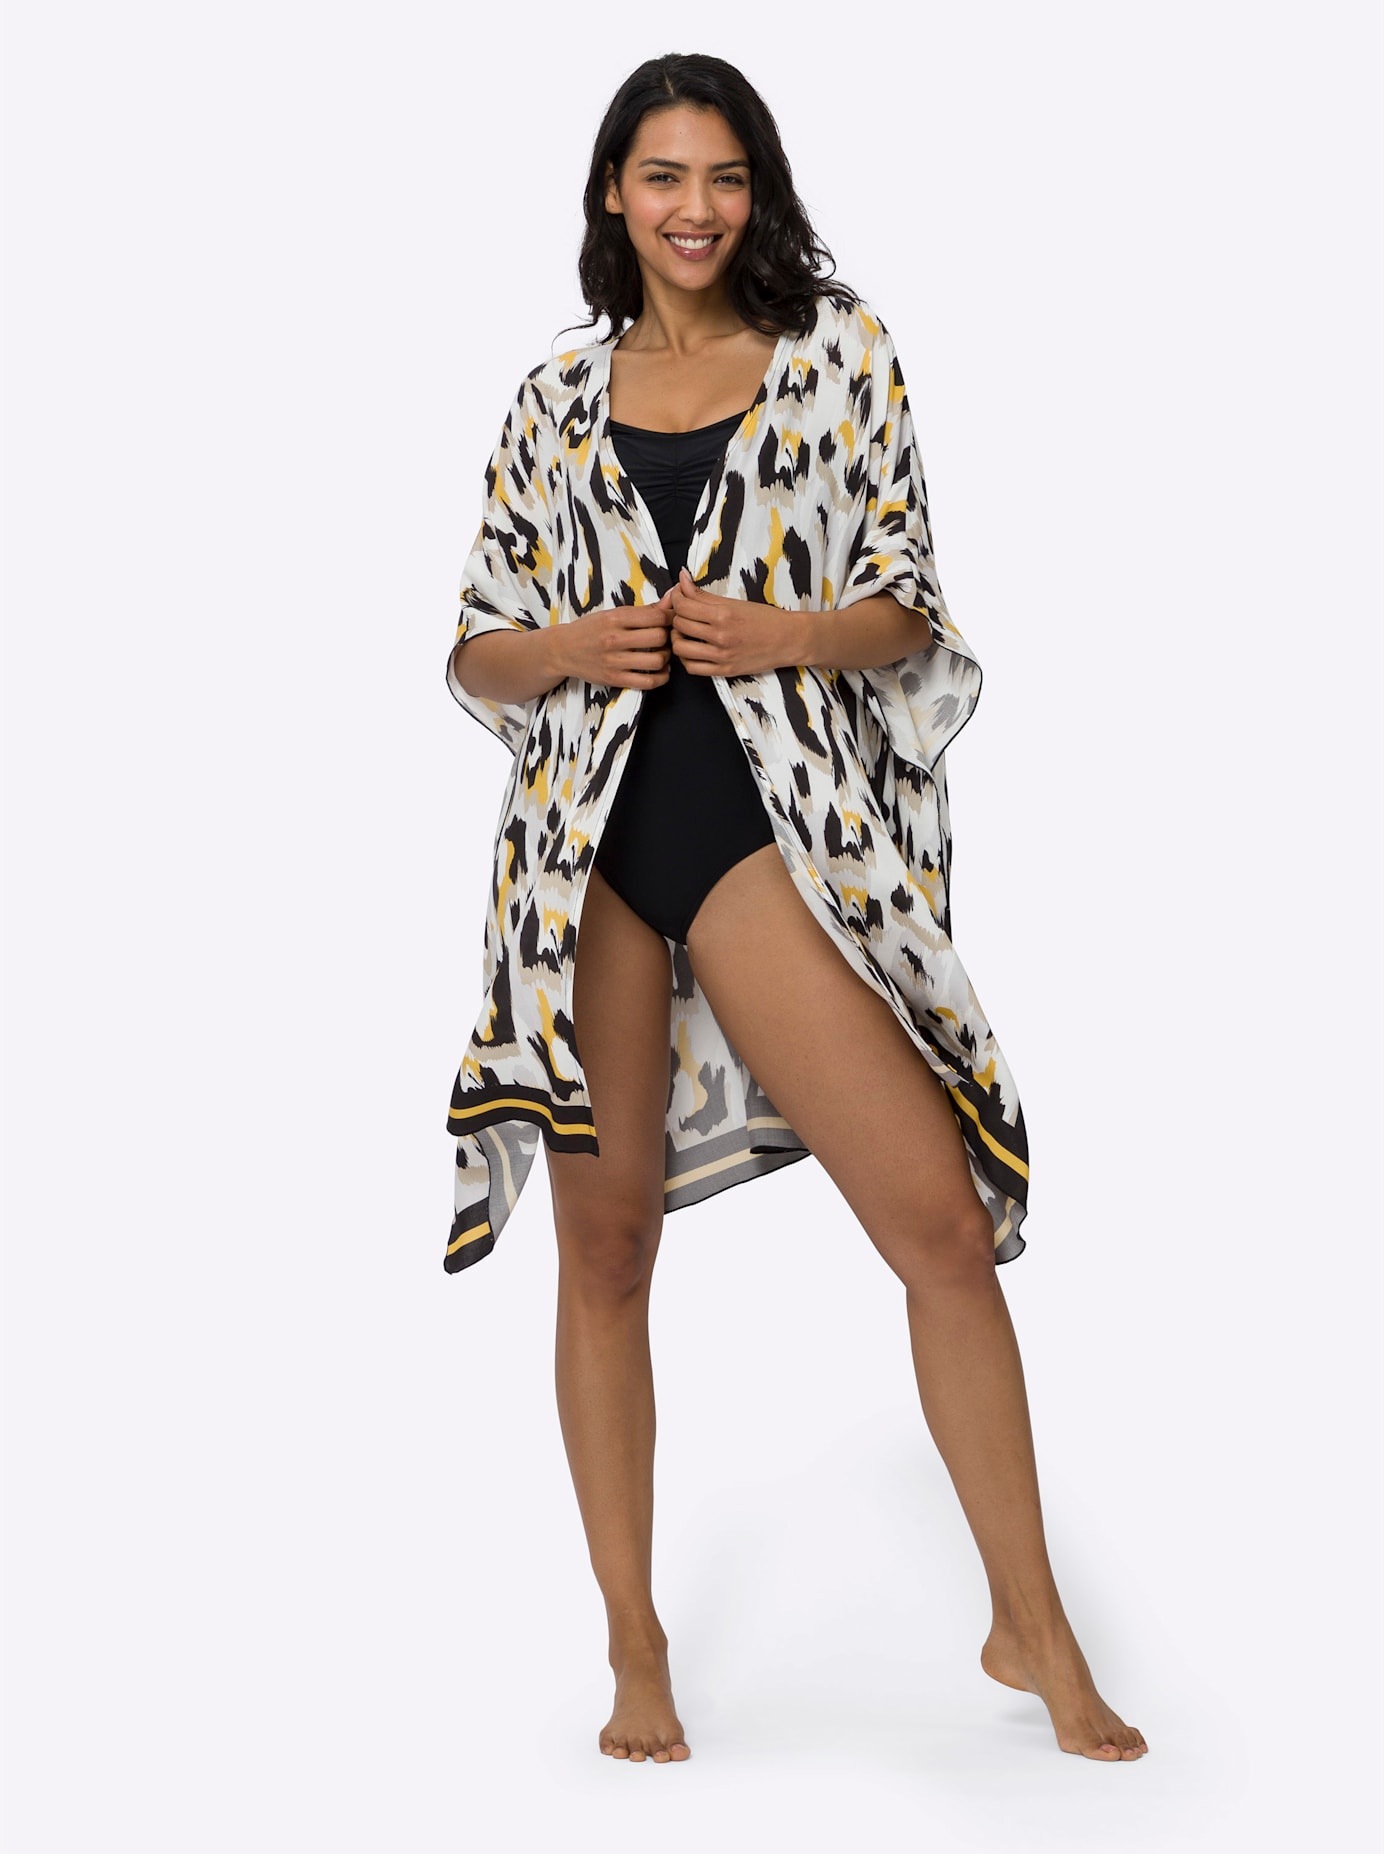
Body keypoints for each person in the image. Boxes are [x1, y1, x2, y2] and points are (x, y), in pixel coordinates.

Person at [444, 52, 1147, 1768]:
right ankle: (635, 1643)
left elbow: (909, 605)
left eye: (726, 177)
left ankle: (1032, 1622)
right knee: (607, 1253)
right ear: (613, 193)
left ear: (757, 192)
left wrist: (788, 634)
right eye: (663, 176)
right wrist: (572, 646)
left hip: (773, 833)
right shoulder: (553, 399)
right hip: (590, 853)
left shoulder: (838, 355)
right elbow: (477, 645)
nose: (695, 209)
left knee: (940, 1227)